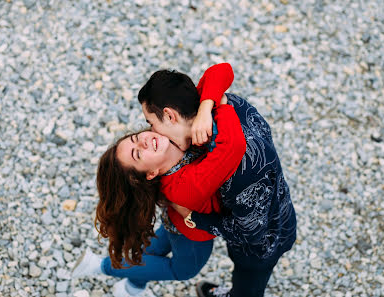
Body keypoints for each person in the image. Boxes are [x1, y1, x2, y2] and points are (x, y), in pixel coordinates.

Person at [72, 64, 237, 297]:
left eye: (139, 136)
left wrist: (205, 107)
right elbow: (232, 147)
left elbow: (222, 70)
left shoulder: (171, 140)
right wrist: (222, 105)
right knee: (182, 271)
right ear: (149, 173)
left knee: (150, 252)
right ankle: (100, 266)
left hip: (173, 221)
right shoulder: (182, 183)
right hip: (192, 234)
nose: (146, 140)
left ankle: (132, 288)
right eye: (138, 153)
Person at [136, 65, 297, 297]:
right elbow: (221, 71)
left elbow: (249, 231)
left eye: (152, 123)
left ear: (170, 115)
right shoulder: (227, 104)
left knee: (248, 280)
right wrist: (208, 105)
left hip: (263, 241)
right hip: (281, 205)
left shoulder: (236, 168)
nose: (154, 132)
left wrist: (195, 219)